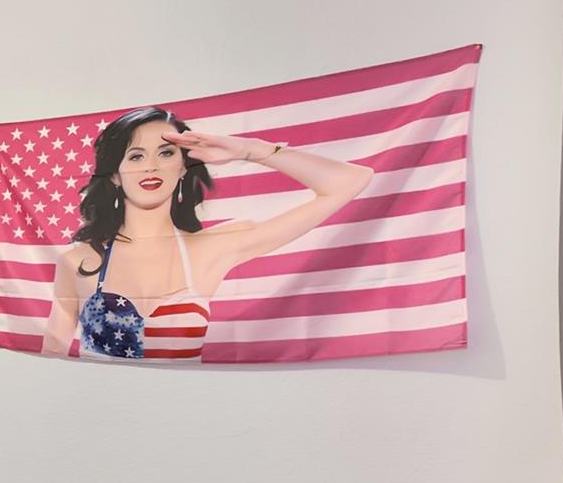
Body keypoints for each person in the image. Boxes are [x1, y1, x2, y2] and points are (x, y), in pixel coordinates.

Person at [42, 106, 374, 360]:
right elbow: (51, 363)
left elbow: (349, 182)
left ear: (183, 165)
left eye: (166, 152)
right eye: (136, 155)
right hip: (101, 428)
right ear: (115, 175)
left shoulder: (215, 247)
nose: (151, 167)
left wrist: (249, 150)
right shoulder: (78, 261)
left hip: (192, 424)